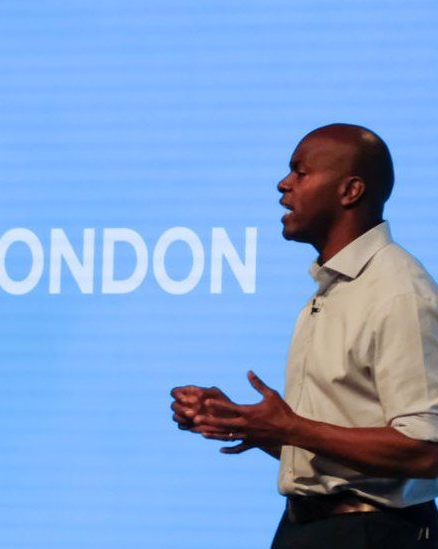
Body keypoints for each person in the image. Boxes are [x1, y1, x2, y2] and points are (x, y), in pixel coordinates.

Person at [170, 123, 438, 548]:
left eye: (300, 172)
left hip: (371, 534)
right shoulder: (334, 290)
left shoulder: (398, 292)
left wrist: (291, 428)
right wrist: (254, 426)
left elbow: (426, 450)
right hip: (307, 528)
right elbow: (337, 447)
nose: (283, 184)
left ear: (350, 191)